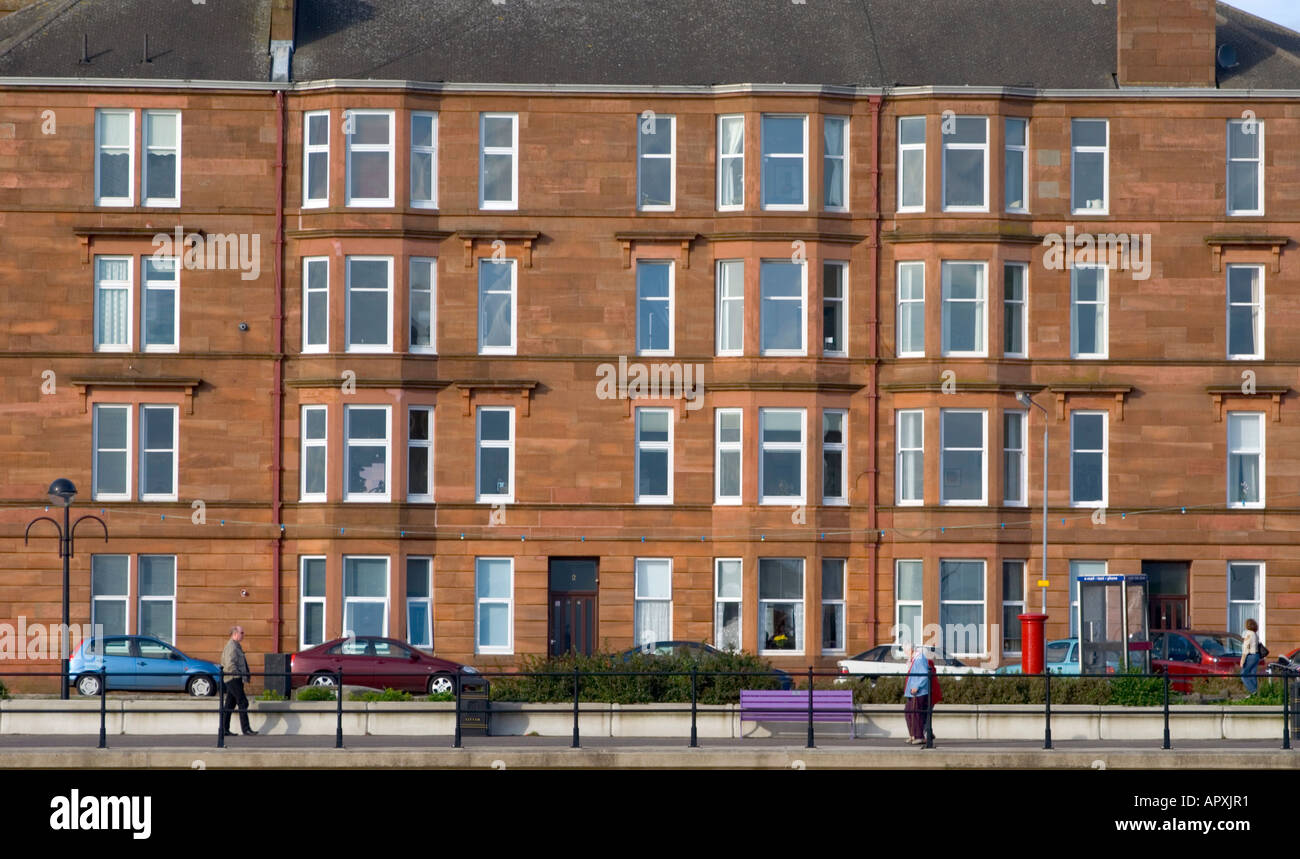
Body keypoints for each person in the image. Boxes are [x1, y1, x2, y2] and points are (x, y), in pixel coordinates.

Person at [221, 625, 257, 736]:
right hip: (233, 678)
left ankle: (224, 729)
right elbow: (230, 663)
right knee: (243, 701)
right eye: (242, 633)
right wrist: (239, 674)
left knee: (230, 704)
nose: (243, 635)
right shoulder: (231, 646)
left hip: (234, 678)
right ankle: (246, 729)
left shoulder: (236, 645)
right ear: (235, 634)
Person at [902, 643, 933, 745]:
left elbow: (924, 674)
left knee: (916, 714)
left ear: (910, 650)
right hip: (912, 692)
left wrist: (917, 686)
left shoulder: (919, 659)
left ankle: (919, 736)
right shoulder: (914, 659)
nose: (905, 653)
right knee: (908, 712)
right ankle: (913, 735)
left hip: (918, 691)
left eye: (905, 651)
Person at [1240, 618, 1261, 695]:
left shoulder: (1248, 634)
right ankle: (1256, 694)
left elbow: (1246, 647)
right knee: (1252, 674)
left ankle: (1253, 691)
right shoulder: (1255, 634)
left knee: (1243, 675)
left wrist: (1242, 660)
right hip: (1256, 655)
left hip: (1250, 656)